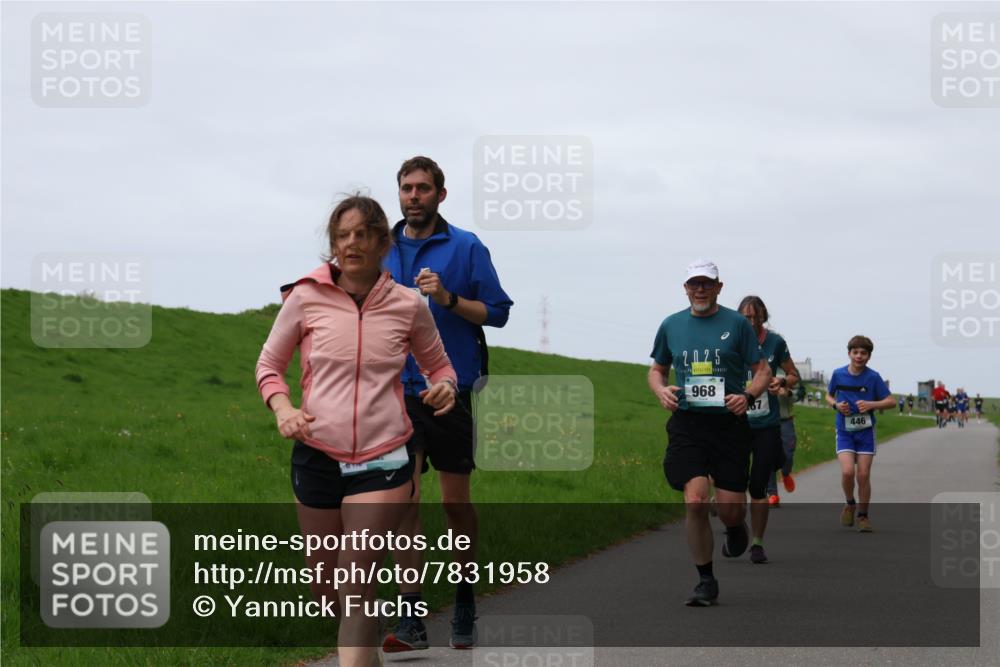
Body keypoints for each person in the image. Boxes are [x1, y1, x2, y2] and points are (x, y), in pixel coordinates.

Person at [255, 195, 458, 667]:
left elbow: (440, 365)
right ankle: (366, 640)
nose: (351, 244)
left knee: (356, 578)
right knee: (328, 591)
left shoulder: (408, 305)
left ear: (382, 242)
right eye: (342, 236)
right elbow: (268, 366)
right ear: (333, 244)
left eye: (362, 234)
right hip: (317, 452)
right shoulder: (305, 297)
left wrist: (445, 386)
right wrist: (283, 409)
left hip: (384, 455)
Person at [382, 156, 513, 652]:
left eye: (422, 188)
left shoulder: (466, 246)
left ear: (440, 194)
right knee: (405, 501)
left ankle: (464, 599)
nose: (413, 196)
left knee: (454, 503)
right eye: (406, 188)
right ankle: (412, 617)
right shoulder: (381, 249)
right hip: (396, 391)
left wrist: (449, 299)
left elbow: (497, 313)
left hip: (450, 389)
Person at [648, 260, 771, 605]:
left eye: (707, 283)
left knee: (731, 509)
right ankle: (705, 580)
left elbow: (762, 370)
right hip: (688, 423)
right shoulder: (671, 325)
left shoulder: (737, 324)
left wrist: (747, 396)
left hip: (728, 424)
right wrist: (661, 391)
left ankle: (734, 526)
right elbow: (657, 370)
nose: (700, 289)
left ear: (719, 287)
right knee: (697, 499)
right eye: (694, 284)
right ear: (685, 288)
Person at [737, 296, 800, 564]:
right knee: (733, 484)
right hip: (736, 423)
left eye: (756, 317)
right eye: (746, 317)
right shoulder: (731, 339)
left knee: (758, 486)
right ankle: (733, 527)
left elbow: (794, 375)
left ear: (764, 316)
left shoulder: (775, 342)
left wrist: (781, 381)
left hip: (767, 425)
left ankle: (757, 543)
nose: (752, 322)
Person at [826, 335, 894, 533]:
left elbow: (890, 401)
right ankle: (850, 503)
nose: (859, 356)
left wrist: (871, 404)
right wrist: (836, 405)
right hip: (844, 431)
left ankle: (863, 516)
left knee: (863, 474)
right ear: (849, 353)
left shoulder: (873, 377)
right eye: (855, 352)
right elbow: (828, 396)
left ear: (869, 357)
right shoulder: (838, 374)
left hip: (865, 433)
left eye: (863, 353)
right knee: (848, 472)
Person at [765, 374, 801, 508]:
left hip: (785, 421)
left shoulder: (785, 374)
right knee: (768, 457)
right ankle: (772, 494)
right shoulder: (757, 373)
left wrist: (787, 392)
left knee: (788, 455)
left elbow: (798, 396)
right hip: (767, 423)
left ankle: (785, 473)